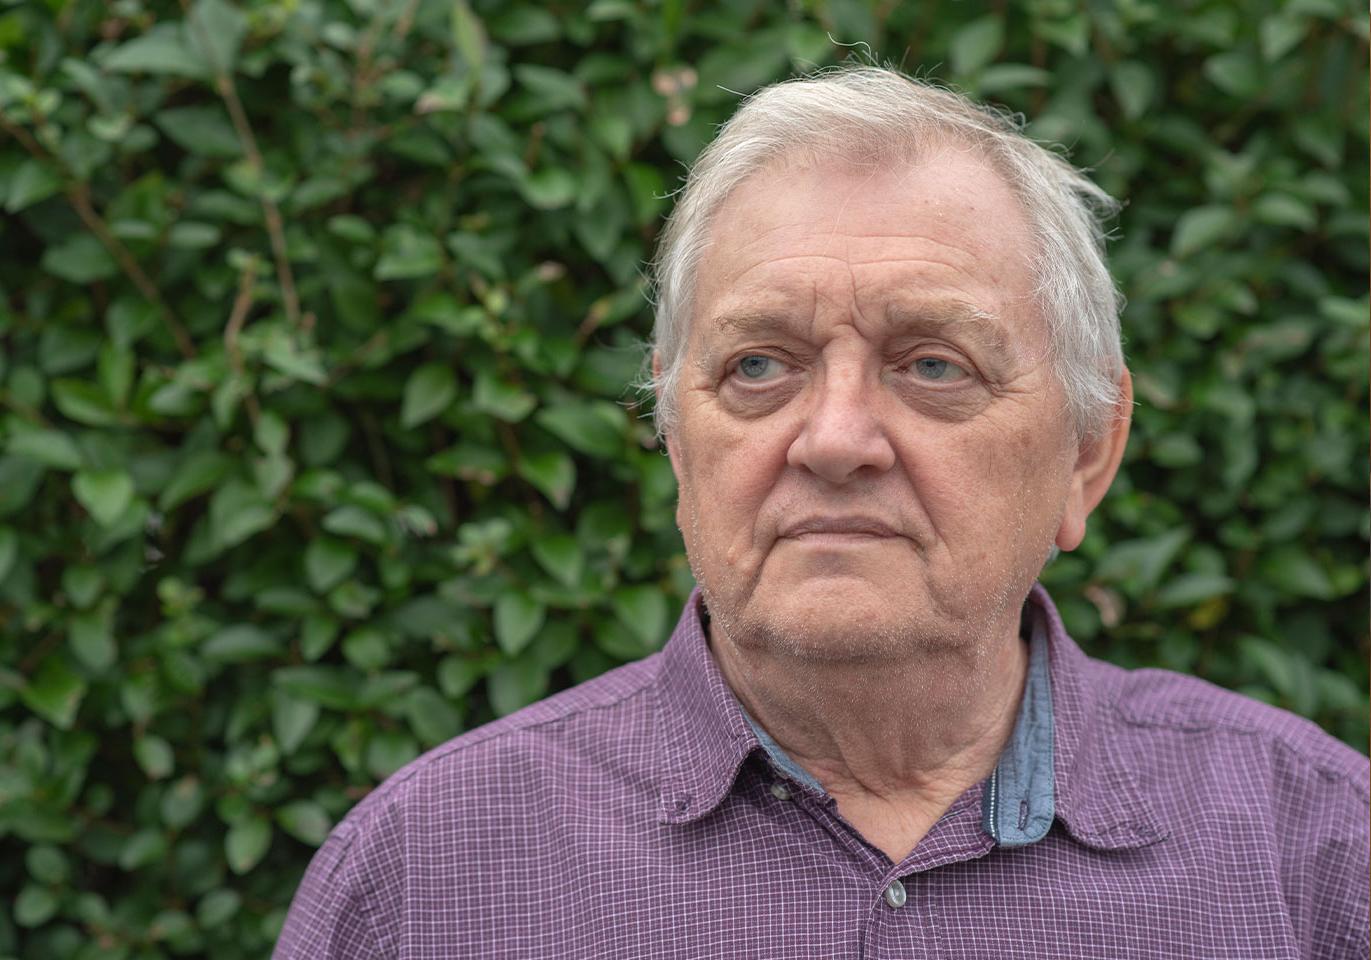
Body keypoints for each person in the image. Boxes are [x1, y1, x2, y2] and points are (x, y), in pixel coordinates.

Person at [272, 66, 1369, 959]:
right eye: (760, 364)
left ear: (1087, 453)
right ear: (676, 433)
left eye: (934, 364)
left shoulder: (1315, 858)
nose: (835, 438)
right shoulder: (427, 880)